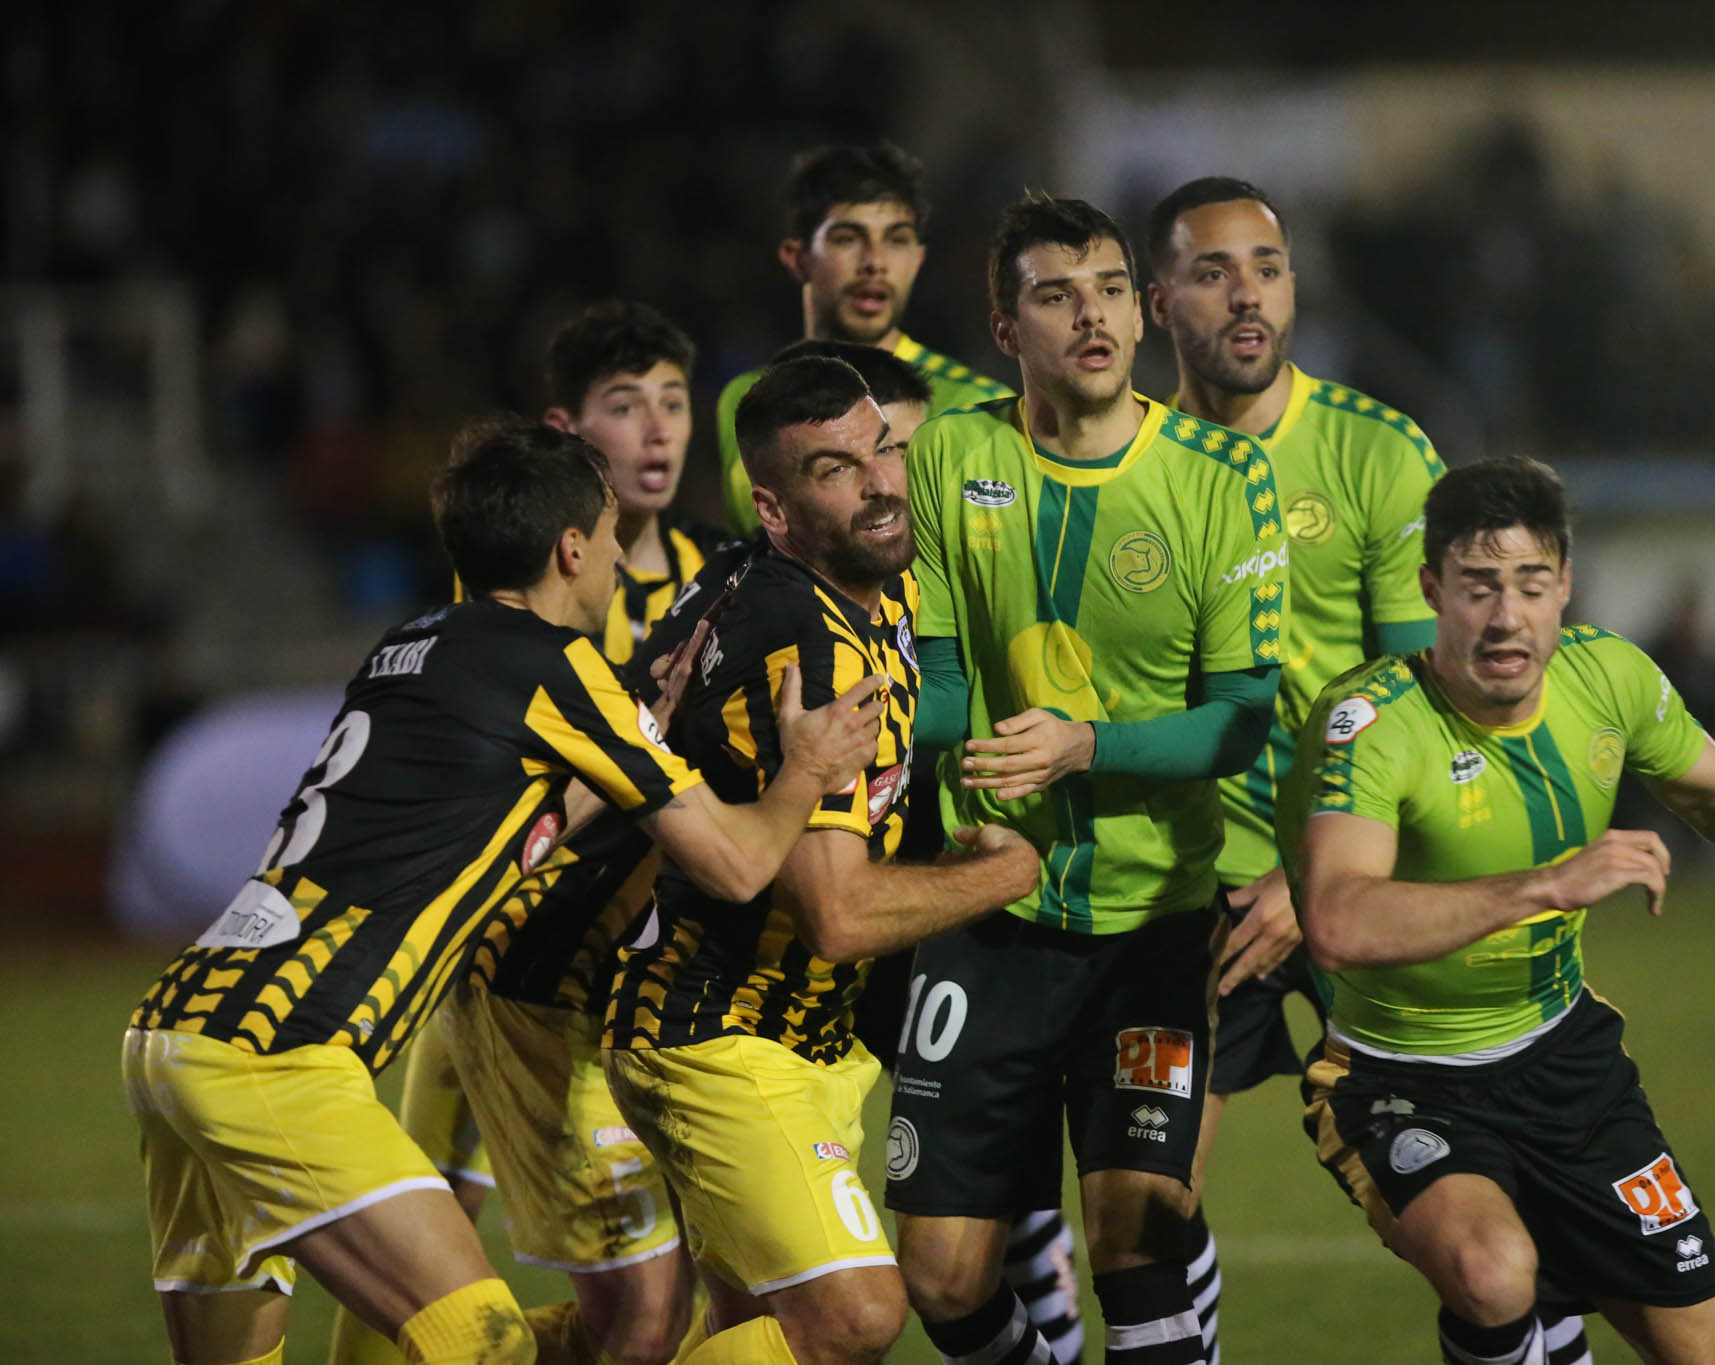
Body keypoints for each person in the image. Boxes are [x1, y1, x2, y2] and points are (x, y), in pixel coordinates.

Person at [125, 419, 886, 1365]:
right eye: (609, 532)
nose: (617, 552)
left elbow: (499, 821)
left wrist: (637, 728)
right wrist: (805, 772)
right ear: (571, 548)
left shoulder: (411, 645)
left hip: (175, 1027)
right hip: (280, 1046)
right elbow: (736, 863)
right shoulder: (556, 666)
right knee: (483, 1343)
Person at [1282, 456, 1715, 1365]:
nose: (1505, 616)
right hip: (1401, 1078)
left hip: (1570, 1070)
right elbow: (1338, 920)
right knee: (1492, 1272)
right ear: (1430, 590)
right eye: (1478, 586)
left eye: (1530, 585)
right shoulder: (1370, 723)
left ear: (1564, 585)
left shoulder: (1607, 677)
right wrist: (1544, 886)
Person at [887, 192, 1287, 1365]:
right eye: (1056, 297)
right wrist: (951, 748)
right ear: (1008, 330)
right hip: (985, 913)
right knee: (940, 1277)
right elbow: (944, 674)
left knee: (1135, 1244)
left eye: (1110, 288)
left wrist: (1082, 746)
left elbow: (1238, 725)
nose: (1092, 317)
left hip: (1148, 928)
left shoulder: (1219, 478)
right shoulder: (956, 452)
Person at [604, 355, 1042, 1365]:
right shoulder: (802, 636)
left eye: (884, 449)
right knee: (855, 1316)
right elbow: (837, 917)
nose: (881, 482)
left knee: (753, 1333)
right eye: (836, 469)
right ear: (775, 505)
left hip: (790, 1041)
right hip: (717, 1035)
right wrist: (1005, 874)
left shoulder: (846, 595)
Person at [331, 300, 730, 1365]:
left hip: (626, 972)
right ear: (566, 432)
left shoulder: (716, 571)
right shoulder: (520, 599)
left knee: (632, 1293)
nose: (655, 431)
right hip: (500, 961)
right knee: (420, 1239)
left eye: (673, 403)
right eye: (623, 406)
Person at [1144, 174, 1450, 1361]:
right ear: (1158, 298)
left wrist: (1299, 873)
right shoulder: (1128, 467)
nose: (1244, 294)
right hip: (1186, 896)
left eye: (1265, 266)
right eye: (1211, 271)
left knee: (1458, 1218)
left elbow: (1418, 699)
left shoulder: (1378, 453)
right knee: (1145, 1209)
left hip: (1344, 879)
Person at [715, 143, 1010, 536]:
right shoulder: (742, 399)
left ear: (918, 259)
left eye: (897, 239)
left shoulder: (982, 408)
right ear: (797, 257)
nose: (875, 262)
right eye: (847, 238)